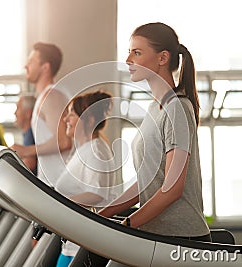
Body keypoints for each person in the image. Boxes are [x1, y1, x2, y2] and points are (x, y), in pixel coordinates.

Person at [97, 22, 211, 266]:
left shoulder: (177, 108)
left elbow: (173, 188)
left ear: (163, 58)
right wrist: (103, 213)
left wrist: (128, 224)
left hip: (181, 241)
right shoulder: (155, 108)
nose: (128, 59)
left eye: (136, 52)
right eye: (129, 51)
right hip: (156, 237)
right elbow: (147, 181)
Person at [54, 91, 121, 267]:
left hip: (83, 244)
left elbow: (96, 193)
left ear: (89, 121)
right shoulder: (84, 150)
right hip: (72, 242)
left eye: (72, 114)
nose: (65, 119)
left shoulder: (95, 151)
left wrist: (56, 203)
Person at [11, 43, 72, 186]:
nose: (26, 65)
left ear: (45, 67)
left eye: (31, 62)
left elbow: (63, 141)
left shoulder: (52, 96)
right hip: (52, 183)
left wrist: (26, 150)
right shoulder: (44, 97)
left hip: (60, 186)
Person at [14, 94, 37, 175]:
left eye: (18, 108)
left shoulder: (31, 133)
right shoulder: (28, 133)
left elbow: (29, 164)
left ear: (28, 113)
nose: (15, 113)